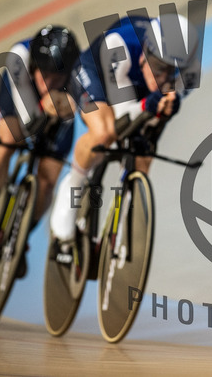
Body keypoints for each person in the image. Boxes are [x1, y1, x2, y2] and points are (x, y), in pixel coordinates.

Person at [48, 13, 200, 262]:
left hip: (134, 89)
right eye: (159, 68)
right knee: (104, 133)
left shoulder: (188, 74)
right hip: (97, 74)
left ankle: (121, 225)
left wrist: (163, 112)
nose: (163, 78)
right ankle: (71, 188)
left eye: (172, 73)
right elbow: (122, 120)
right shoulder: (119, 47)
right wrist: (149, 106)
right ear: (145, 53)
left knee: (142, 155)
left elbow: (156, 118)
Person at [0, 25, 81, 277]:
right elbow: (29, 123)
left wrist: (66, 108)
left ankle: (20, 237)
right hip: (19, 92)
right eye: (45, 76)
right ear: (35, 66)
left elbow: (77, 110)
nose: (50, 83)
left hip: (55, 108)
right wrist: (43, 111)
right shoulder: (19, 58)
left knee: (48, 179)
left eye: (57, 77)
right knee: (8, 141)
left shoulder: (78, 73)